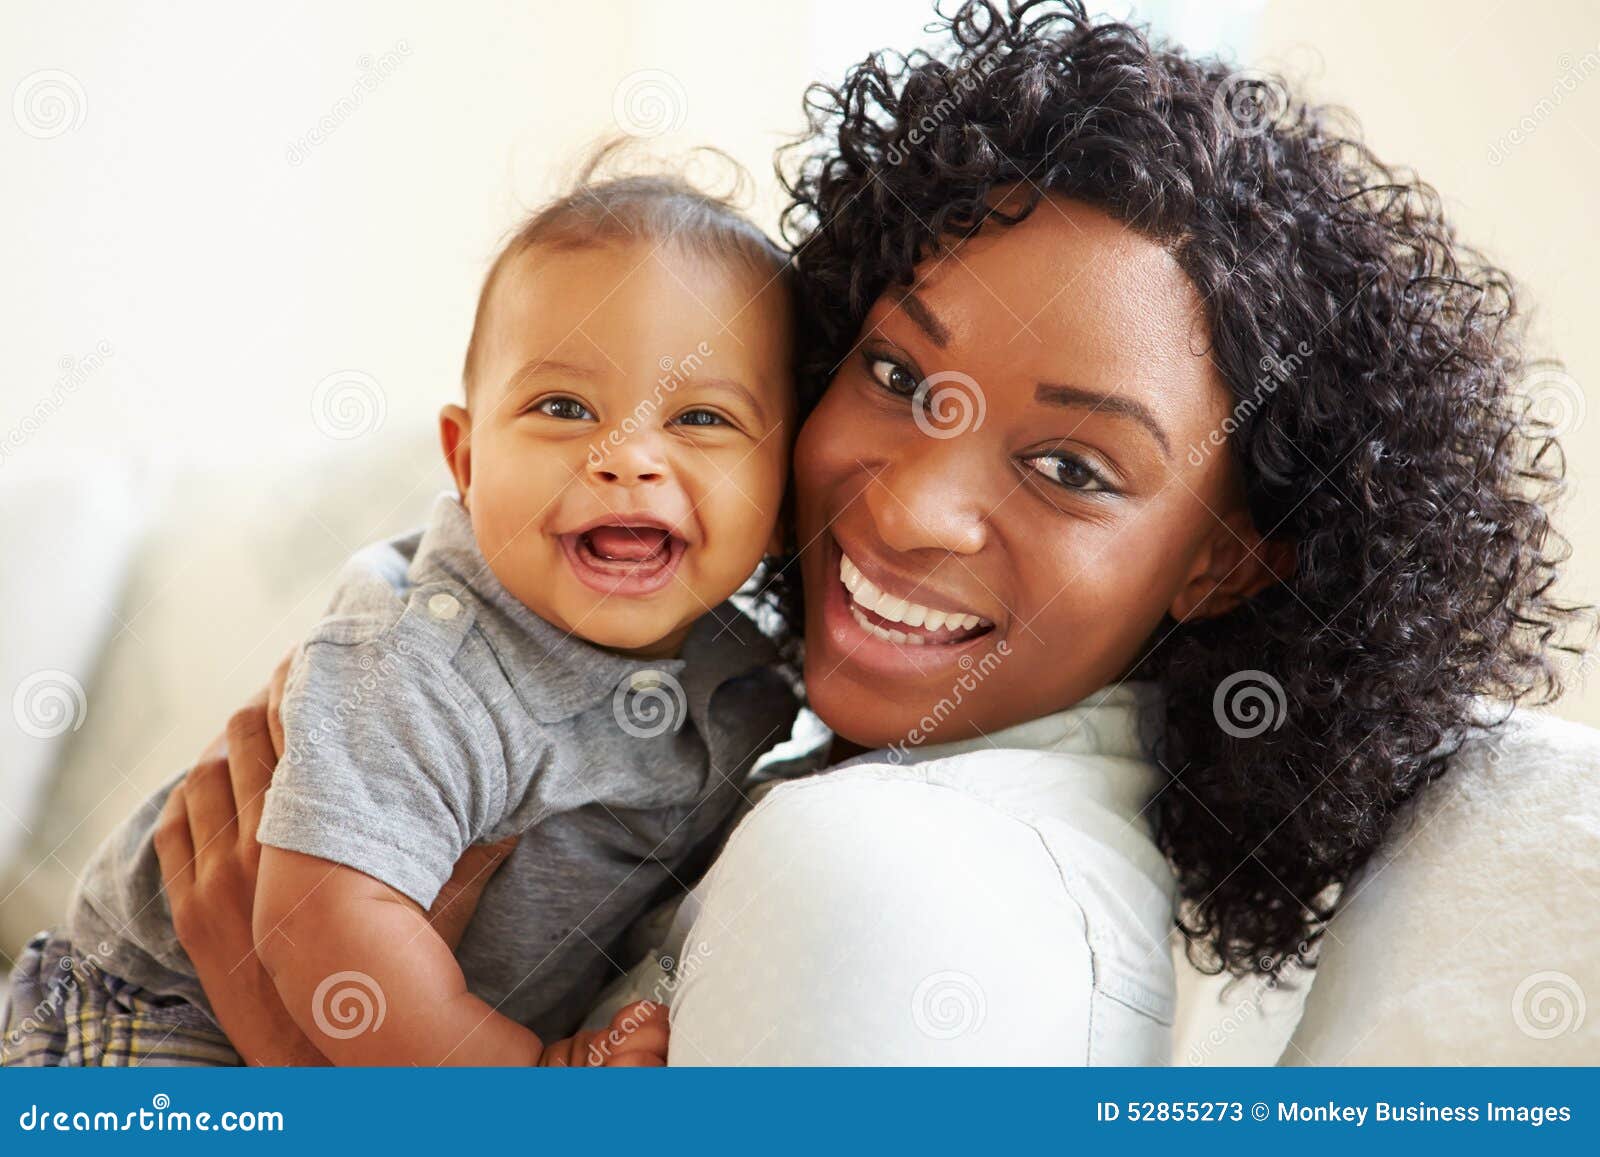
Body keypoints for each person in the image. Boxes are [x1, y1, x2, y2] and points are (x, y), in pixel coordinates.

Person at [73, 0, 1594, 1064]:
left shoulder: (873, 879)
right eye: (894, 372)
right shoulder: (744, 698)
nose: (912, 504)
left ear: (1231, 551)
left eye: (1069, 463)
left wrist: (294, 1052)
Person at [1, 166, 800, 1066]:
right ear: (465, 459)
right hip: (143, 1019)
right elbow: (329, 926)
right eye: (564, 407)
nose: (627, 457)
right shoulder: (422, 657)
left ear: (780, 500)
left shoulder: (742, 681)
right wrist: (532, 1079)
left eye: (701, 417)